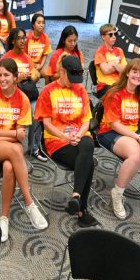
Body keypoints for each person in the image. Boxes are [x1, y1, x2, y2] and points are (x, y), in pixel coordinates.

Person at [0, 58, 48, 242]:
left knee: (10, 167)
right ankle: (29, 202)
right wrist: (8, 135)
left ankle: (4, 218)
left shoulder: (22, 99)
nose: (2, 79)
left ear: (15, 77)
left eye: (6, 75)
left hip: (3, 143)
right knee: (16, 151)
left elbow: (20, 135)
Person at [34, 55, 98, 227]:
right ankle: (81, 209)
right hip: (56, 140)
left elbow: (86, 120)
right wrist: (65, 136)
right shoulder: (48, 91)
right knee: (89, 163)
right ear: (61, 72)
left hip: (79, 136)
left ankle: (76, 197)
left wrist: (78, 134)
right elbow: (46, 124)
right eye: (71, 78)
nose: (74, 83)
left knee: (88, 143)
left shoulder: (80, 90)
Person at [98, 59, 140, 219]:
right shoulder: (114, 92)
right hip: (110, 131)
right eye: (135, 72)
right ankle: (117, 194)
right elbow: (114, 123)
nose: (138, 76)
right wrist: (137, 138)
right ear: (127, 72)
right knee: (136, 154)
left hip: (134, 132)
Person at [0, 28, 43, 159]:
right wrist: (16, 79)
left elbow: (36, 74)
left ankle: (33, 147)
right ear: (13, 41)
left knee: (37, 112)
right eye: (20, 38)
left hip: (27, 94)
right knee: (19, 116)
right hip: (11, 96)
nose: (23, 40)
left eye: (24, 37)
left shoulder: (27, 57)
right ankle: (11, 148)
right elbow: (0, 82)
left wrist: (33, 76)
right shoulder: (7, 58)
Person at [93, 24, 127, 99]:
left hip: (119, 85)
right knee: (117, 96)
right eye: (110, 35)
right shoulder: (100, 52)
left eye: (115, 34)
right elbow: (106, 70)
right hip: (104, 86)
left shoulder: (119, 50)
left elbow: (125, 70)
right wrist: (117, 65)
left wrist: (112, 64)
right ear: (103, 37)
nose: (114, 37)